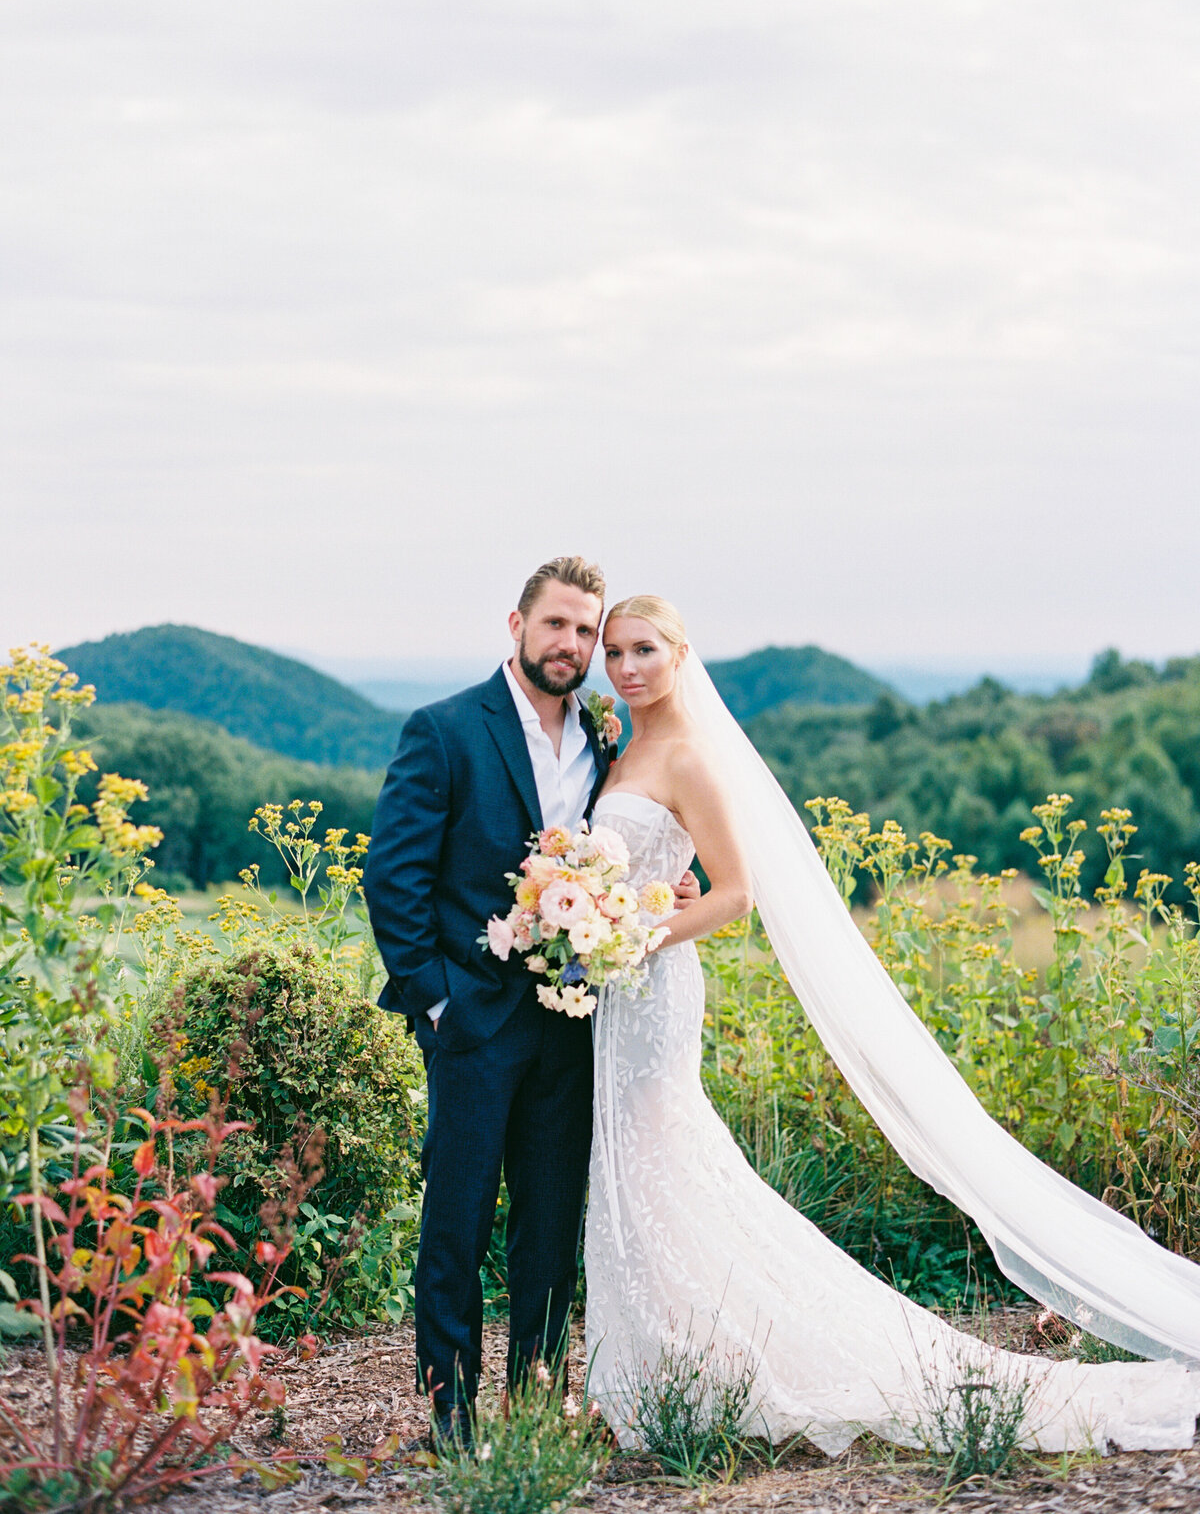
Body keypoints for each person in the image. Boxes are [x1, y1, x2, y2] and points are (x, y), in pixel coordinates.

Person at [584, 594, 1200, 1455]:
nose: (626, 666)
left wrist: (638, 931)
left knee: (667, 1158)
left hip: (653, 987)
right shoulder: (617, 743)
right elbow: (653, 866)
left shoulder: (691, 755)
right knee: (632, 1165)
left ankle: (707, 1365)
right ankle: (662, 1362)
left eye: (644, 648)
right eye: (613, 651)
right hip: (614, 993)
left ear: (682, 653)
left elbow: (735, 892)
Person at [362, 558, 696, 1450]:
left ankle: (536, 1411)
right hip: (471, 1023)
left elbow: (629, 846)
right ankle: (451, 1419)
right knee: (457, 1226)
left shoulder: (601, 735)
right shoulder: (443, 729)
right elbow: (390, 878)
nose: (574, 646)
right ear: (516, 625)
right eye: (558, 625)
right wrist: (436, 1004)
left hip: (571, 1024)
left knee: (549, 1233)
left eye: (587, 632)